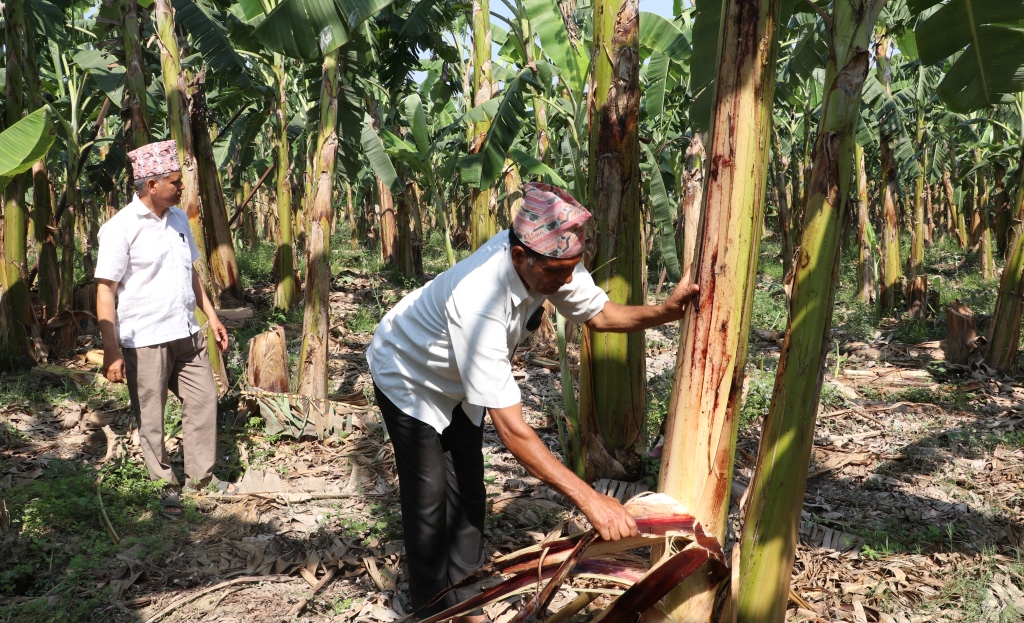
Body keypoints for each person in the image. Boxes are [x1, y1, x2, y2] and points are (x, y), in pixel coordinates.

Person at [366, 182, 699, 621]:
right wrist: (590, 500)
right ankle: (429, 609)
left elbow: (600, 315)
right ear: (520, 255)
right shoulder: (480, 300)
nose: (567, 282)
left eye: (572, 270)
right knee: (428, 499)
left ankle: (466, 602)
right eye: (558, 274)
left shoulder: (552, 260)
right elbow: (513, 431)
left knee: (469, 495)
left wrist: (667, 311)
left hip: (459, 381)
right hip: (408, 373)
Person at [95, 140, 233, 518]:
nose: (181, 186)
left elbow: (191, 273)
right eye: (175, 181)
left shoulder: (179, 219)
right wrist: (112, 350)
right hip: (146, 338)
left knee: (204, 400)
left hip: (186, 331)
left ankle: (202, 480)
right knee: (152, 417)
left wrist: (211, 316)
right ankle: (164, 487)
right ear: (152, 185)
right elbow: (105, 290)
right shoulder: (120, 228)